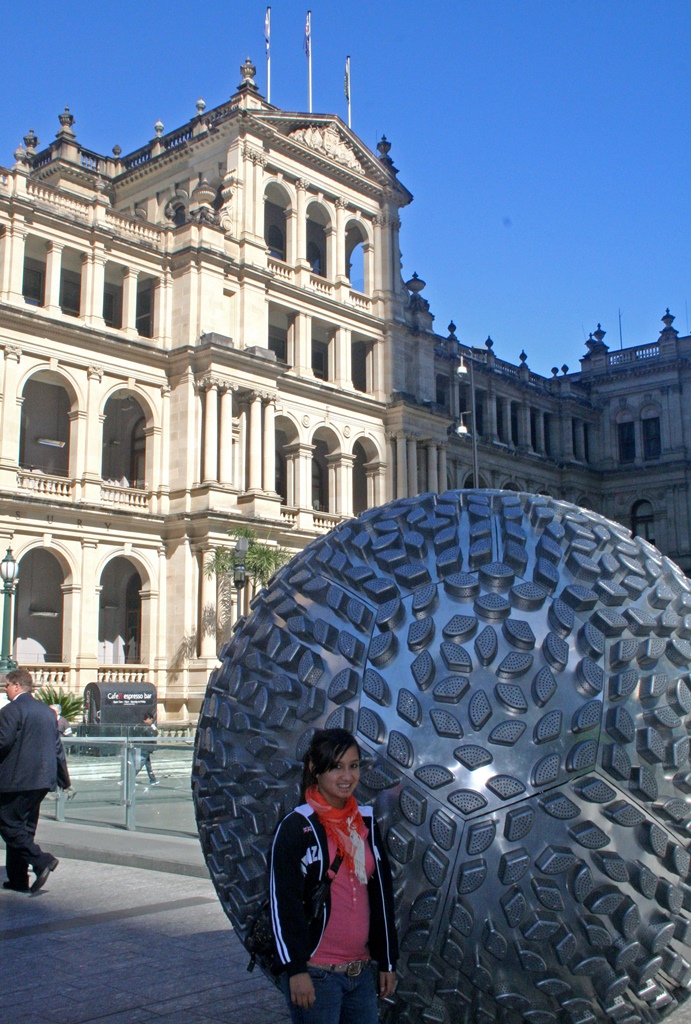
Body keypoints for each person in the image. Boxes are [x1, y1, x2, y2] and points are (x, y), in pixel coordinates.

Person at [270, 728, 398, 1023]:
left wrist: (387, 961)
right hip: (317, 976)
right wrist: (296, 969)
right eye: (337, 766)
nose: (347, 776)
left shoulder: (363, 822)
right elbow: (283, 903)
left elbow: (380, 896)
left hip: (361, 973)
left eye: (353, 766)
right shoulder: (297, 827)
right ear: (315, 769)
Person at [0, 667, 70, 894]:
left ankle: (41, 860)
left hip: (16, 780)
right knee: (25, 828)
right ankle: (19, 879)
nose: (6, 690)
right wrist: (63, 779)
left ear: (17, 686)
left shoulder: (12, 710)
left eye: (7, 686)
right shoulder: (47, 712)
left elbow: (3, 743)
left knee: (8, 824)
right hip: (42, 780)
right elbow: (57, 748)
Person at [135, 712, 159, 786]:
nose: (151, 721)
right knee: (139, 765)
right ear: (147, 719)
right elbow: (153, 735)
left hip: (141, 748)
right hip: (144, 749)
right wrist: (155, 729)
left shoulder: (138, 726)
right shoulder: (147, 727)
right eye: (150, 719)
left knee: (148, 765)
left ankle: (153, 779)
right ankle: (129, 779)